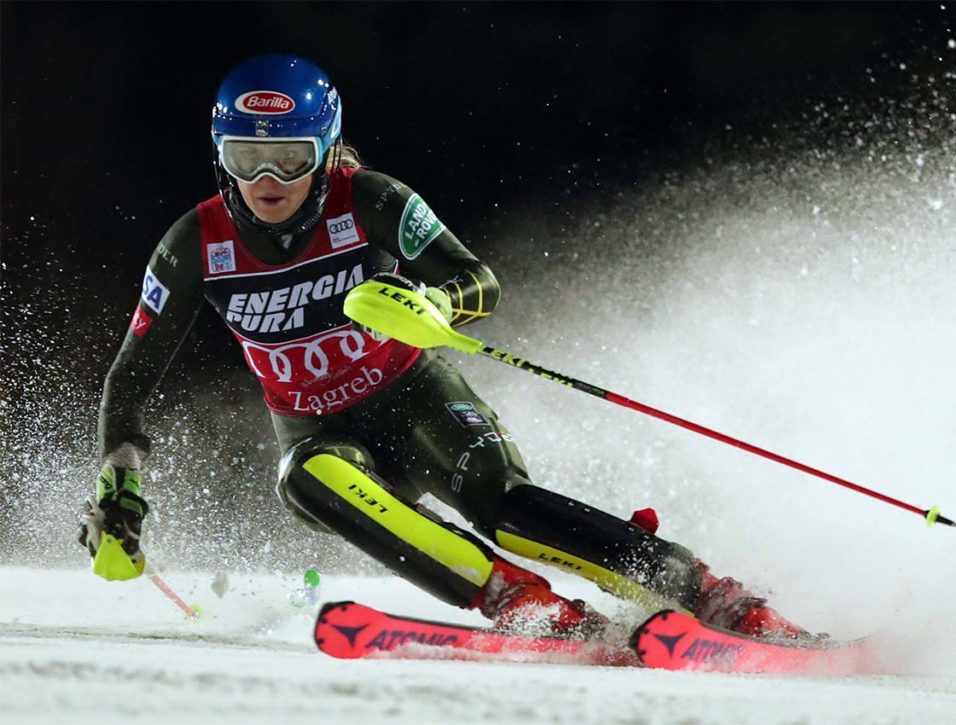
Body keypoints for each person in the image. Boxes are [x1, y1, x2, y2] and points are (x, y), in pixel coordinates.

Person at [79, 54, 809, 640]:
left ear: (325, 152)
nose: (268, 182)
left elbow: (478, 281)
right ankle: (521, 604)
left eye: (291, 158)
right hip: (326, 440)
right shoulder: (193, 245)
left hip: (413, 398)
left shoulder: (370, 199)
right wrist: (121, 489)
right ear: (220, 157)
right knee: (304, 475)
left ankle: (708, 593)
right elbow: (131, 375)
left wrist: (433, 303)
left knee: (503, 505)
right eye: (246, 158)